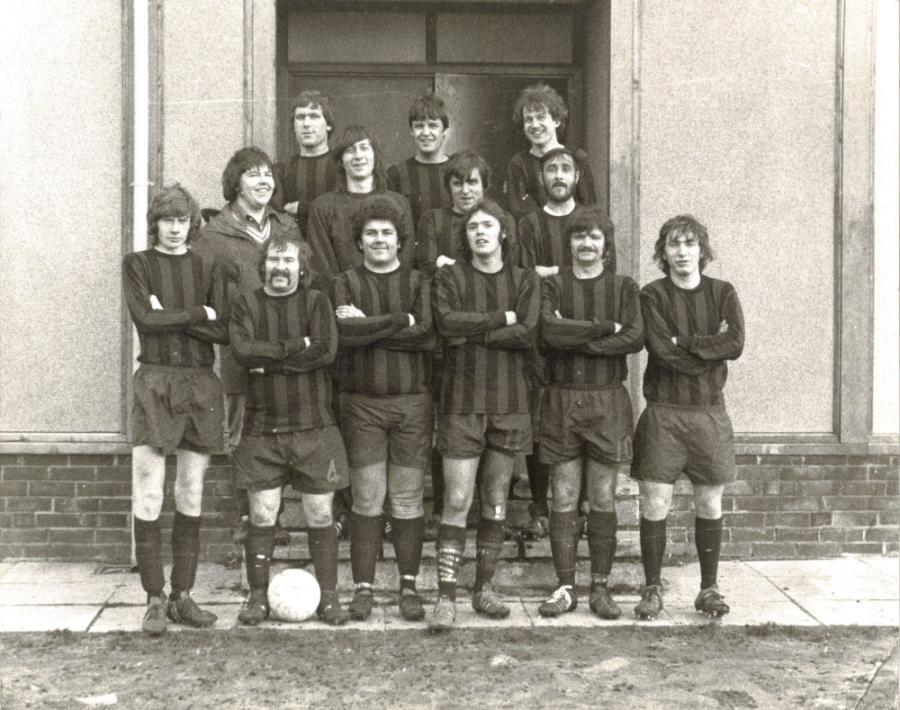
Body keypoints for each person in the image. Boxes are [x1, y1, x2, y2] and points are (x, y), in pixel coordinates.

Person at [229, 232, 351, 626]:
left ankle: (329, 597)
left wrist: (273, 362)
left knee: (319, 512)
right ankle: (258, 597)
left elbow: (326, 351)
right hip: (263, 427)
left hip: (314, 425)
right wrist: (296, 346)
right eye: (274, 260)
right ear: (263, 264)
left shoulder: (316, 301)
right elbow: (243, 353)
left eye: (289, 261)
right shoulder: (246, 303)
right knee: (262, 515)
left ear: (302, 267)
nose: (281, 268)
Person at [429, 198, 540, 632]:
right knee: (457, 500)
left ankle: (484, 589)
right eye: (472, 225)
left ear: (503, 232)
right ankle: (445, 597)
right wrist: (499, 323)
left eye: (487, 224)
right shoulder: (450, 276)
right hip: (461, 399)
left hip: (510, 401)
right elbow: (446, 324)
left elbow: (527, 331)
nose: (479, 231)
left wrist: (474, 333)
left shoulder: (524, 279)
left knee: (495, 499)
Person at [123, 184, 227, 635]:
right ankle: (154, 598)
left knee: (191, 492)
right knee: (148, 491)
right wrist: (197, 314)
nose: (173, 228)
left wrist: (177, 315)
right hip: (155, 381)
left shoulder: (209, 266)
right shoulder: (138, 265)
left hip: (201, 385)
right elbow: (146, 321)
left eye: (181, 220)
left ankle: (184, 595)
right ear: (155, 223)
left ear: (192, 224)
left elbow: (224, 330)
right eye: (166, 220)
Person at [631, 215, 745, 620]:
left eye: (689, 244)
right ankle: (651, 589)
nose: (681, 252)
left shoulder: (723, 292)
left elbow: (735, 343)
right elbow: (662, 350)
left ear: (703, 250)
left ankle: (708, 589)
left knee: (709, 501)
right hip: (664, 411)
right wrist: (707, 349)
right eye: (673, 245)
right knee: (655, 501)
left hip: (709, 414)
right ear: (663, 252)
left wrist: (690, 343)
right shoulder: (652, 295)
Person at [535, 208, 643, 619]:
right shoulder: (554, 286)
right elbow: (547, 331)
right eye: (578, 237)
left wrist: (575, 336)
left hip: (606, 399)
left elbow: (634, 337)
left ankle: (600, 587)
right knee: (562, 495)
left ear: (606, 245)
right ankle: (565, 587)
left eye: (594, 237)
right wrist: (603, 329)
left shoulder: (624, 287)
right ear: (569, 244)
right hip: (562, 398)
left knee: (601, 496)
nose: (586, 244)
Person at [332, 196, 436, 622]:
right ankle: (364, 588)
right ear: (359, 241)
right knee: (368, 498)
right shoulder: (344, 282)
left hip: (411, 404)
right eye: (371, 233)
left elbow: (428, 334)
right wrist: (402, 322)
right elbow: (344, 334)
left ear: (400, 240)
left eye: (386, 233)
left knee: (408, 500)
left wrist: (369, 325)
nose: (379, 239)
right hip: (362, 405)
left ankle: (408, 588)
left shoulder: (417, 282)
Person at [193, 147, 301, 549]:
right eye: (254, 175)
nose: (263, 181)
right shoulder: (214, 235)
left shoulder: (286, 226)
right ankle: (247, 516)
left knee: (282, 426)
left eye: (268, 175)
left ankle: (277, 515)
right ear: (235, 182)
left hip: (285, 346)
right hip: (239, 352)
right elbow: (202, 295)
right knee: (242, 431)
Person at [517, 146, 595, 541]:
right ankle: (538, 506)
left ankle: (580, 502)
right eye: (552, 170)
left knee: (578, 414)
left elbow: (597, 273)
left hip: (581, 332)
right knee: (539, 420)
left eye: (566, 169)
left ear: (577, 177)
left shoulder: (590, 222)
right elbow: (525, 274)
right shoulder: (529, 223)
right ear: (542, 178)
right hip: (538, 335)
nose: (559, 175)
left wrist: (553, 274)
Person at [307, 125, 414, 281]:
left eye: (364, 148)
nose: (358, 156)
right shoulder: (322, 208)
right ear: (340, 161)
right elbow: (323, 269)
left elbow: (406, 259)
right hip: (343, 301)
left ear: (375, 156)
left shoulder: (399, 203)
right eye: (350, 150)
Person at [507, 83, 596, 221]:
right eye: (528, 119)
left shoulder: (577, 158)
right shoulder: (519, 164)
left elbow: (590, 208)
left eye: (541, 117)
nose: (535, 125)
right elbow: (519, 212)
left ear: (556, 121)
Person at [273, 90, 341, 228]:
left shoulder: (342, 166)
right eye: (300, 117)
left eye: (314, 116)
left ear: (329, 125)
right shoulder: (282, 171)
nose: (306, 124)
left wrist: (302, 208)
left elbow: (346, 210)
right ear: (293, 126)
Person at [387, 93, 452, 227]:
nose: (426, 133)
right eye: (419, 126)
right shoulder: (395, 174)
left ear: (444, 131)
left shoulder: (459, 169)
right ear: (411, 131)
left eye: (433, 126)